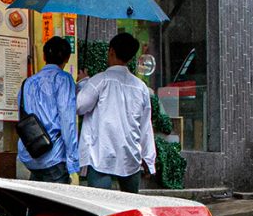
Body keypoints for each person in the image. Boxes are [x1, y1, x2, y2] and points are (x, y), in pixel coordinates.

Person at [77, 31, 156, 192]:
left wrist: (83, 82)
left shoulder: (99, 81)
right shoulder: (140, 87)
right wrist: (149, 160)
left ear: (111, 51)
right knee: (129, 208)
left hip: (101, 155)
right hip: (130, 157)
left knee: (100, 208)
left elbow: (80, 106)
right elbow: (145, 126)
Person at [18, 36, 79, 184]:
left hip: (30, 153)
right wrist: (73, 160)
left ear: (44, 56)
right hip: (53, 155)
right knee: (56, 205)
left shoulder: (28, 82)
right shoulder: (64, 79)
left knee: (38, 201)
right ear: (67, 57)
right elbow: (67, 120)